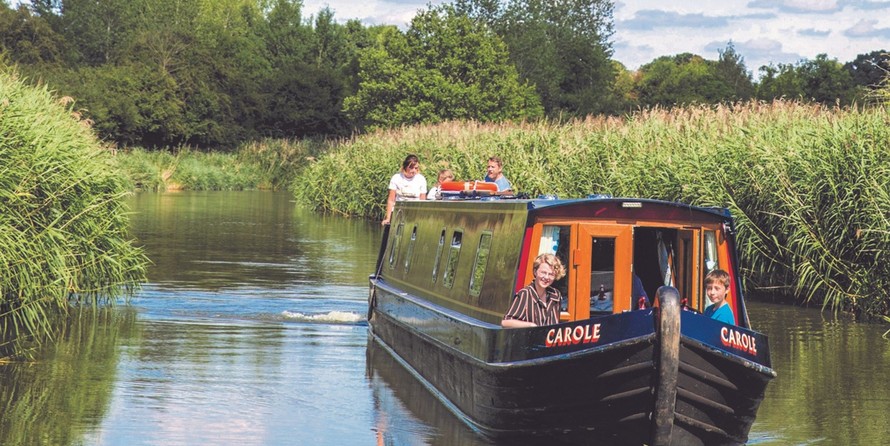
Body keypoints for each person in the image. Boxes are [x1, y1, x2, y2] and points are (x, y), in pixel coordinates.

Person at [502, 253, 565, 328]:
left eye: (551, 274)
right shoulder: (525, 294)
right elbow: (505, 322)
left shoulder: (556, 295)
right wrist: (530, 325)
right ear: (535, 272)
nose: (546, 277)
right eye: (543, 272)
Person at [382, 154, 427, 225]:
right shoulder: (396, 178)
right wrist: (388, 218)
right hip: (398, 211)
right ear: (405, 167)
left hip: (414, 212)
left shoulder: (421, 179)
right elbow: (391, 200)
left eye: (416, 168)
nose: (414, 170)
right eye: (411, 168)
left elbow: (422, 201)